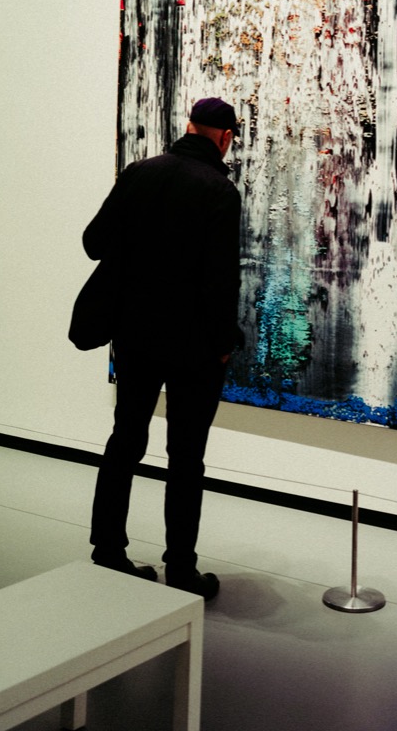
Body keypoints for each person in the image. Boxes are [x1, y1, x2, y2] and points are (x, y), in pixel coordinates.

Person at [83, 96, 243, 599]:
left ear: (190, 127)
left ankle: (108, 551)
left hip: (134, 335)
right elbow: (221, 281)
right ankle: (181, 569)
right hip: (194, 345)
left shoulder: (139, 173)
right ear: (224, 137)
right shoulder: (219, 190)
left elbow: (94, 241)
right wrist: (221, 345)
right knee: (186, 457)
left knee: (124, 441)